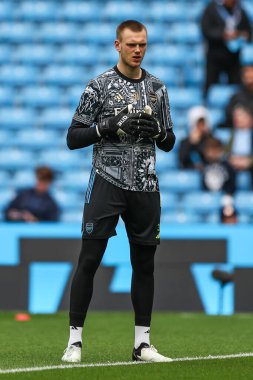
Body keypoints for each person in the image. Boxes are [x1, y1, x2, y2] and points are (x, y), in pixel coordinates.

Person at [61, 20, 176, 363]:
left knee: (144, 264)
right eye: (131, 45)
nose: (137, 50)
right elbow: (72, 138)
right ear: (117, 45)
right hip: (106, 181)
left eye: (142, 44)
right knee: (89, 260)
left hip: (146, 184)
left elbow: (170, 142)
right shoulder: (98, 86)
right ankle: (74, 342)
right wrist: (107, 126)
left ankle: (142, 344)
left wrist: (157, 131)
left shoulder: (158, 88)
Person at [201, 0, 252, 98]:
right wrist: (223, 35)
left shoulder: (240, 11)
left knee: (236, 86)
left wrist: (241, 35)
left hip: (233, 57)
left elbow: (248, 32)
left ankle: (236, 105)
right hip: (215, 57)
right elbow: (206, 30)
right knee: (210, 84)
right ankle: (205, 104)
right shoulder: (212, 9)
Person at [226, 105, 253, 185]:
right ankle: (229, 194)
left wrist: (249, 162)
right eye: (236, 116)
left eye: (240, 115)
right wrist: (232, 160)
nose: (237, 118)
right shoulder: (232, 134)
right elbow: (226, 152)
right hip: (234, 161)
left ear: (250, 118)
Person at [223, 63, 253, 128]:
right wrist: (236, 114)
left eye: (251, 72)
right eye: (246, 72)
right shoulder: (237, 96)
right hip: (240, 131)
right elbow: (228, 113)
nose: (249, 75)